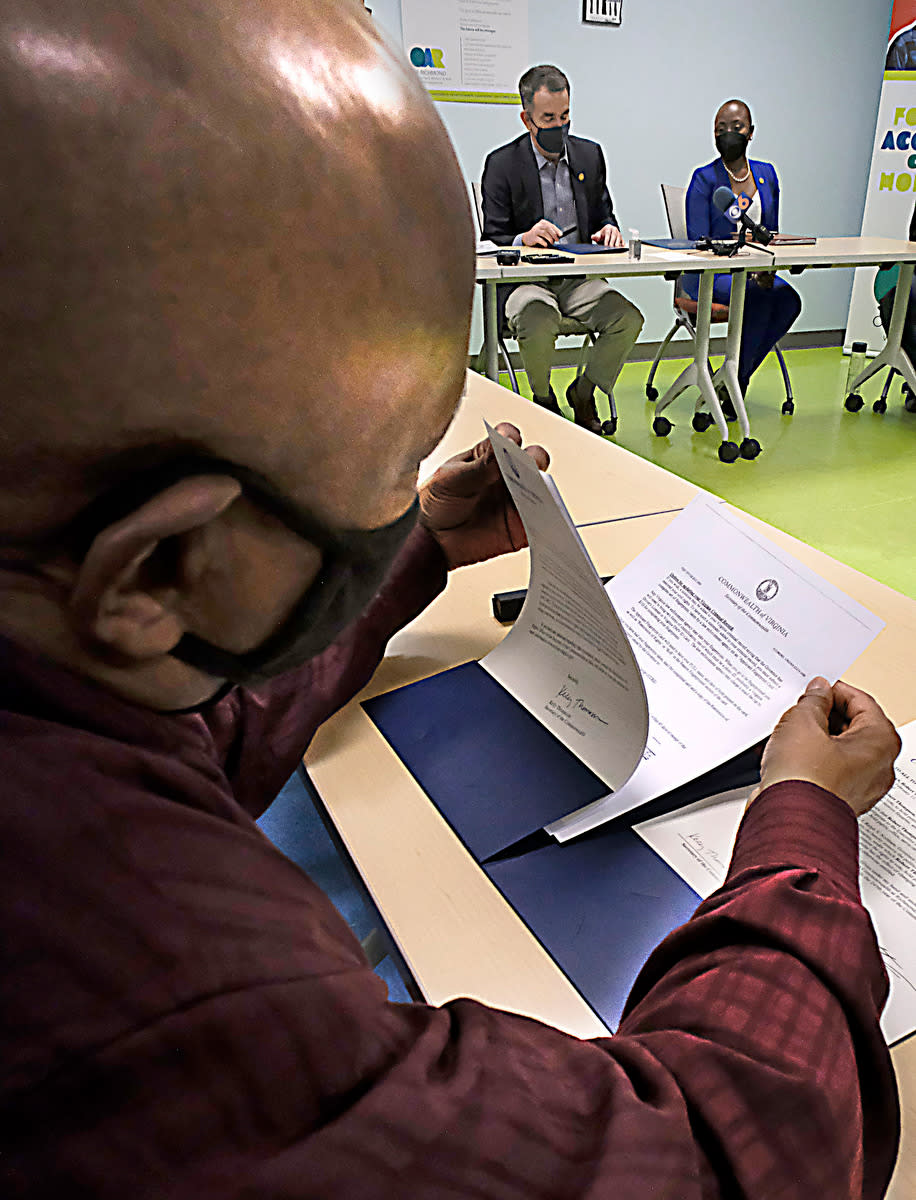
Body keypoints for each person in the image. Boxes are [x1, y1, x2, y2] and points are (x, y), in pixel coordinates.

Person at [0, 3, 902, 1196]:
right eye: (385, 471)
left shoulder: (65, 650)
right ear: (164, 565)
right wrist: (798, 825)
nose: (402, 495)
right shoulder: (148, 976)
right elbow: (723, 1156)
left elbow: (188, 720)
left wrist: (414, 539)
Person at [481, 64, 643, 435]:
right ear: (527, 119)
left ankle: (583, 391)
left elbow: (606, 214)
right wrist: (523, 238)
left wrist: (609, 231)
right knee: (537, 319)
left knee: (628, 318)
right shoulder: (502, 164)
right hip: (527, 280)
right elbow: (492, 237)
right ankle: (544, 401)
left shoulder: (589, 156)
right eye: (548, 118)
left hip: (577, 278)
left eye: (565, 115)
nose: (559, 125)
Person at [685, 99, 802, 418]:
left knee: (789, 300)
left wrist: (765, 267)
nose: (728, 134)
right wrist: (745, 263)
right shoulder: (704, 179)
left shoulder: (766, 174)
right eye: (720, 129)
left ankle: (733, 379)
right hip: (711, 276)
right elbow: (698, 242)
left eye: (736, 128)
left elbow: (771, 232)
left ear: (750, 132)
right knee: (760, 298)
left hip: (756, 271)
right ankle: (736, 384)